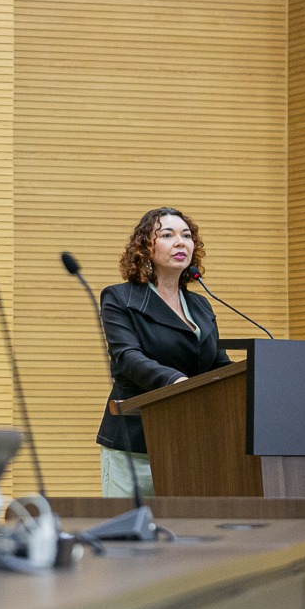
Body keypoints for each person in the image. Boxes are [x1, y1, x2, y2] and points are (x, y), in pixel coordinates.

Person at [97, 207, 231, 498]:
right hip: (135, 442)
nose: (180, 242)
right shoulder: (120, 298)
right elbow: (128, 358)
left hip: (190, 444)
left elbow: (217, 364)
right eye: (168, 235)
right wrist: (176, 383)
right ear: (145, 247)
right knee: (129, 538)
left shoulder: (200, 306)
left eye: (186, 235)